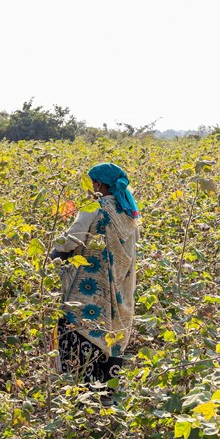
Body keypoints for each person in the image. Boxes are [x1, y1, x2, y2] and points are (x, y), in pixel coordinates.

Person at [51, 163, 140, 390]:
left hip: (89, 286)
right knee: (112, 331)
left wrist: (54, 249)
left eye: (91, 184)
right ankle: (108, 389)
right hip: (120, 285)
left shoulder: (95, 206)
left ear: (98, 185)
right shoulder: (129, 213)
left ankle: (83, 390)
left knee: (81, 326)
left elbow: (73, 238)